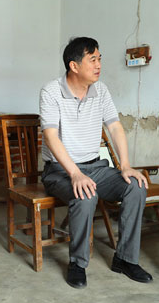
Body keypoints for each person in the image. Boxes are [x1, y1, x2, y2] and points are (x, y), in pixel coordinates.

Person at [40, 37, 152, 289]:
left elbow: (115, 127)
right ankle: (77, 263)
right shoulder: (51, 91)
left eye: (99, 59)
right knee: (85, 193)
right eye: (92, 60)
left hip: (96, 167)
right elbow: (50, 136)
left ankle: (125, 259)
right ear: (74, 66)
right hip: (59, 171)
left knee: (136, 186)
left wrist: (125, 165)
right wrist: (75, 173)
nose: (99, 65)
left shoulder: (100, 90)